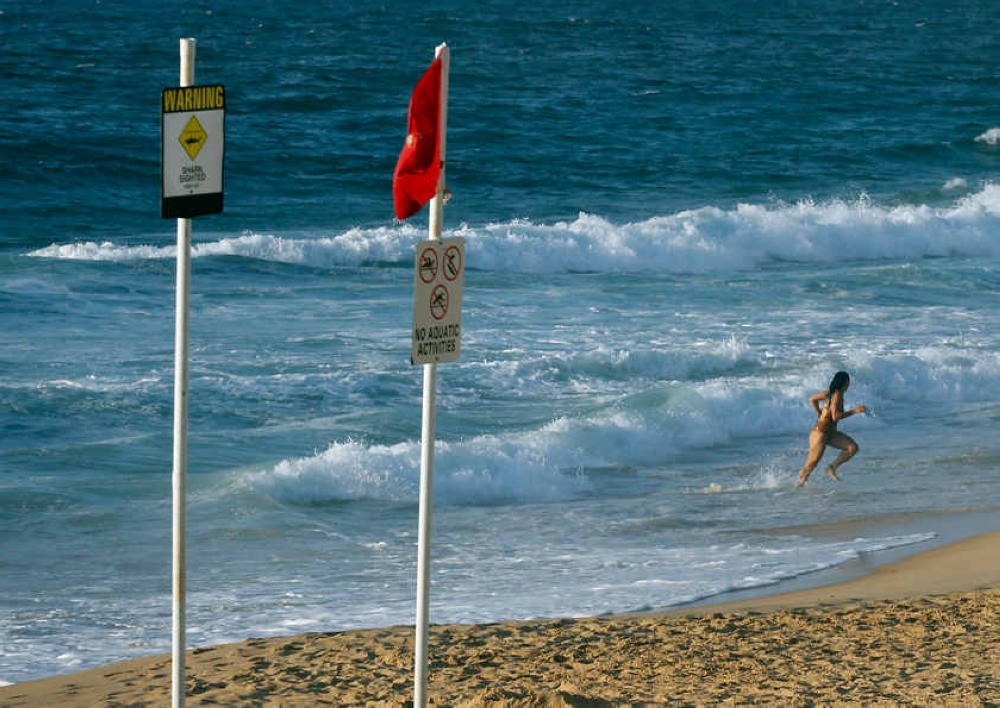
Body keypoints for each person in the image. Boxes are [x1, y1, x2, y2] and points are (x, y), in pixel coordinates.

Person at [797, 371, 866, 487]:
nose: (849, 385)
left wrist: (819, 412)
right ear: (844, 382)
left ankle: (831, 468)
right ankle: (798, 487)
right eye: (848, 382)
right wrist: (855, 411)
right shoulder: (837, 394)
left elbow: (812, 399)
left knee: (852, 448)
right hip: (821, 433)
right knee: (811, 464)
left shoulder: (830, 393)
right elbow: (836, 416)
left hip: (829, 432)